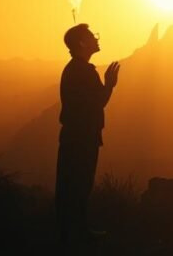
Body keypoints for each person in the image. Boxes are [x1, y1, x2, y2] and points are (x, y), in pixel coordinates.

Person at [55, 24, 119, 247]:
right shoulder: (83, 70)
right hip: (82, 138)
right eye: (92, 36)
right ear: (82, 43)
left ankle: (72, 234)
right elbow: (97, 103)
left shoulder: (74, 69)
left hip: (75, 136)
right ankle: (75, 237)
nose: (96, 39)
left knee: (72, 186)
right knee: (79, 186)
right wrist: (110, 85)